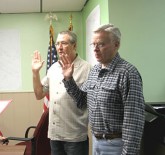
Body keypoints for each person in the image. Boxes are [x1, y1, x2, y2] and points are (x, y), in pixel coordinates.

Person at [60, 24, 145, 155]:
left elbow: (133, 120)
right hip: (96, 142)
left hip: (117, 145)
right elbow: (82, 101)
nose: (95, 49)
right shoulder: (95, 70)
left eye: (101, 44)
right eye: (93, 44)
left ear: (116, 45)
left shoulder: (128, 73)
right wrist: (68, 79)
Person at [31, 30, 90, 155]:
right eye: (57, 44)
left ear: (74, 45)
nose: (59, 47)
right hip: (55, 134)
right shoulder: (54, 68)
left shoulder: (86, 68)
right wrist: (35, 73)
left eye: (64, 43)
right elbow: (39, 94)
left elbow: (84, 102)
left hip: (75, 136)